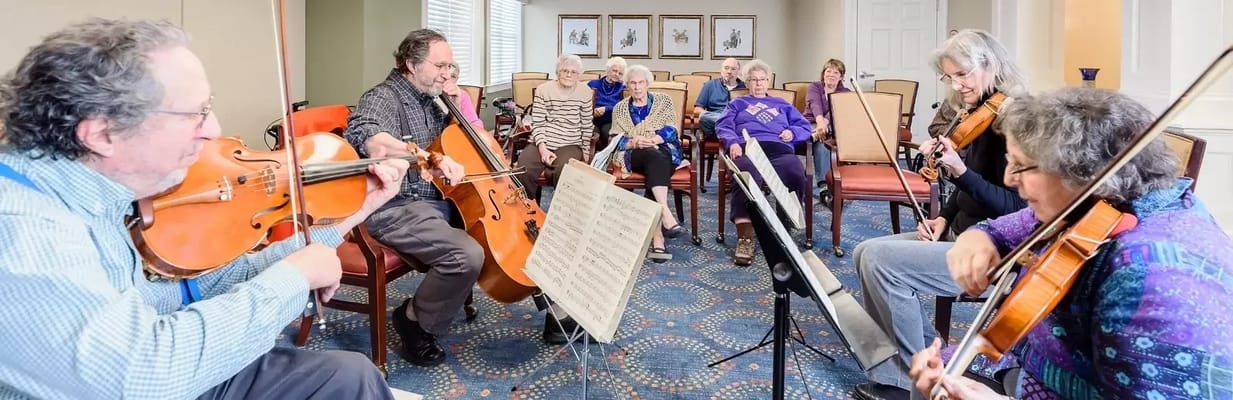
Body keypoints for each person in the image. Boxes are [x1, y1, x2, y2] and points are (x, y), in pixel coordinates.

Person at [0, 18, 414, 399]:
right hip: (147, 380)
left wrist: (347, 218)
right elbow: (145, 373)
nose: (214, 130)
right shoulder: (21, 232)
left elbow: (174, 295)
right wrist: (293, 279)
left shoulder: (95, 194)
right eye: (193, 114)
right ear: (103, 133)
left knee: (349, 376)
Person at [909, 87, 1233, 399]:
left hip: (1043, 387)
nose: (1009, 179)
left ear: (1083, 171)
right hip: (1022, 362)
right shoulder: (1099, 204)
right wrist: (977, 238)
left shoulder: (1159, 280)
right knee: (932, 373)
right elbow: (1006, 227)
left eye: (1021, 165)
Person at [852, 29, 1029, 400]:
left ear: (990, 66)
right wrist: (943, 218)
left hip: (993, 253)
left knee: (882, 262)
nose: (956, 85)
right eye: (950, 76)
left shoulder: (1015, 123)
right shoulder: (980, 114)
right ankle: (900, 370)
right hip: (959, 231)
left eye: (962, 74)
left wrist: (960, 173)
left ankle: (912, 382)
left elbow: (1018, 210)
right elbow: (969, 192)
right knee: (862, 252)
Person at [715, 59, 811, 267]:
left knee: (795, 173)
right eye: (753, 80)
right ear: (747, 83)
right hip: (749, 148)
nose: (758, 84)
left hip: (779, 149)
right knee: (746, 178)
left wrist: (791, 132)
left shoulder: (782, 104)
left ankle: (784, 227)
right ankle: (745, 237)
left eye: (762, 80)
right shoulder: (737, 104)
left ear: (768, 82)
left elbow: (804, 127)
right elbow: (723, 125)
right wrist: (732, 142)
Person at [608, 65, 688, 261]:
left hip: (664, 150)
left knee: (656, 157)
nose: (637, 87)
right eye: (632, 83)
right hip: (634, 155)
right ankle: (665, 216)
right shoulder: (620, 109)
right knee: (653, 157)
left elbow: (671, 130)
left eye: (641, 82)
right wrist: (634, 142)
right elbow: (615, 140)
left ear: (648, 83)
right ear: (627, 85)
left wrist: (652, 140)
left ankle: (658, 234)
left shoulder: (664, 101)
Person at [515, 53, 594, 196]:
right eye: (565, 71)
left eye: (574, 72)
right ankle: (527, 211)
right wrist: (543, 149)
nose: (569, 75)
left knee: (565, 171)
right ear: (557, 72)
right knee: (523, 170)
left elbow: (587, 125)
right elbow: (538, 123)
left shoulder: (585, 92)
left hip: (570, 144)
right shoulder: (543, 90)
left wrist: (586, 155)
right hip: (542, 142)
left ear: (579, 75)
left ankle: (560, 215)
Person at [804, 58, 850, 204]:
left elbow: (835, 110)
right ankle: (824, 186)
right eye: (828, 71)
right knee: (821, 138)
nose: (831, 74)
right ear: (823, 74)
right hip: (812, 121)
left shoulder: (845, 92)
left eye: (836, 72)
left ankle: (814, 136)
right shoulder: (815, 86)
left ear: (841, 76)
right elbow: (814, 104)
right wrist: (819, 123)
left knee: (822, 138)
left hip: (833, 126)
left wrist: (824, 123)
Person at [694, 58, 745, 138]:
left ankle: (727, 130)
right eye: (726, 68)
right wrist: (721, 117)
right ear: (721, 71)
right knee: (704, 117)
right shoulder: (710, 85)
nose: (729, 72)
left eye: (733, 69)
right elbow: (697, 111)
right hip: (715, 125)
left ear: (738, 72)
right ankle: (728, 125)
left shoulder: (745, 88)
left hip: (737, 122)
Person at [588, 56, 626, 149]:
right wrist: (593, 110)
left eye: (620, 73)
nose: (617, 74)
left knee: (607, 133)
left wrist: (606, 108)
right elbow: (584, 102)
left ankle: (605, 159)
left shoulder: (623, 87)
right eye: (614, 71)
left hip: (611, 119)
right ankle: (592, 160)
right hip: (592, 118)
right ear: (608, 69)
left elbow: (624, 106)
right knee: (592, 133)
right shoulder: (593, 84)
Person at [442, 62, 485, 133]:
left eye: (453, 76)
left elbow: (475, 122)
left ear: (457, 79)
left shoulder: (463, 95)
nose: (448, 79)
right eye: (446, 75)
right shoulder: (431, 93)